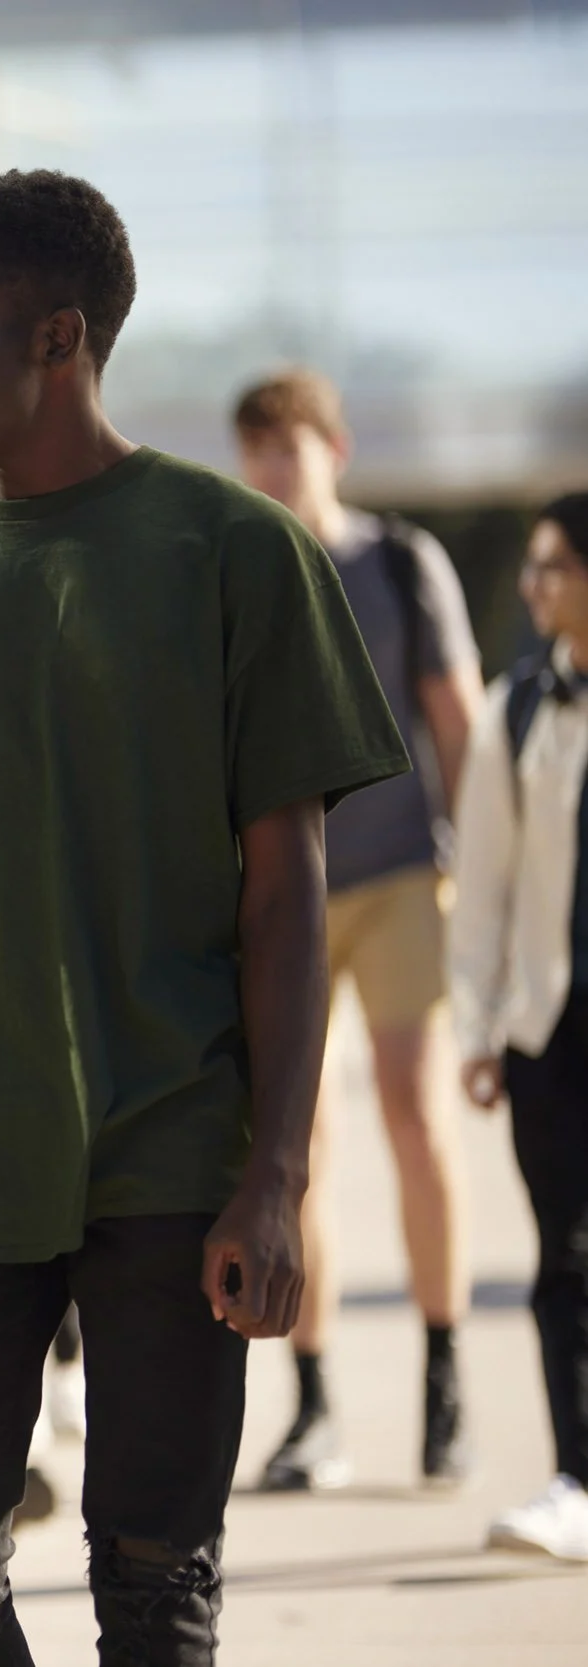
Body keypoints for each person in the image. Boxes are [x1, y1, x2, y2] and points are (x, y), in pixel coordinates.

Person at [0, 171, 407, 1665]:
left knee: (156, 1575)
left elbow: (287, 894)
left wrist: (278, 1173)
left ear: (60, 336)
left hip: (173, 1149)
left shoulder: (238, 553)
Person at [234, 367, 485, 1492]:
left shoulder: (401, 562)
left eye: (290, 447)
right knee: (296, 1149)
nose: (274, 469)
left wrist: (484, 887)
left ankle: (444, 1380)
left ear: (332, 448)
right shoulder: (240, 576)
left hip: (396, 880)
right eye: (257, 452)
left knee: (413, 1113)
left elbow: (459, 724)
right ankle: (316, 1403)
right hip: (286, 898)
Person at [449, 493, 588, 1562]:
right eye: (531, 565)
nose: (534, 584)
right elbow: (484, 884)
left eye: (554, 566)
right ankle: (573, 1478)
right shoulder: (517, 707)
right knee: (564, 1259)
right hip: (551, 1029)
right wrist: (479, 1031)